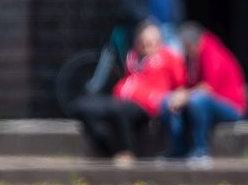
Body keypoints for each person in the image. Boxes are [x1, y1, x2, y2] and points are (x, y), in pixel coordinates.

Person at [70, 21, 186, 166]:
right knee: (81, 106)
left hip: (147, 105)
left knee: (120, 110)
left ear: (159, 42)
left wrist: (179, 97)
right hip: (121, 100)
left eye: (149, 42)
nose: (145, 46)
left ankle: (126, 151)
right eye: (142, 42)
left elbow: (181, 86)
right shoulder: (132, 56)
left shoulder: (169, 58)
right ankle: (102, 145)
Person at [163, 22, 248, 167]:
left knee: (198, 100)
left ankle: (201, 151)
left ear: (191, 43)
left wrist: (185, 96)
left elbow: (207, 88)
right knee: (167, 101)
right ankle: (178, 149)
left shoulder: (211, 51)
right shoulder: (192, 57)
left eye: (184, 45)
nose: (183, 49)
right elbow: (188, 85)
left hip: (232, 108)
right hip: (207, 103)